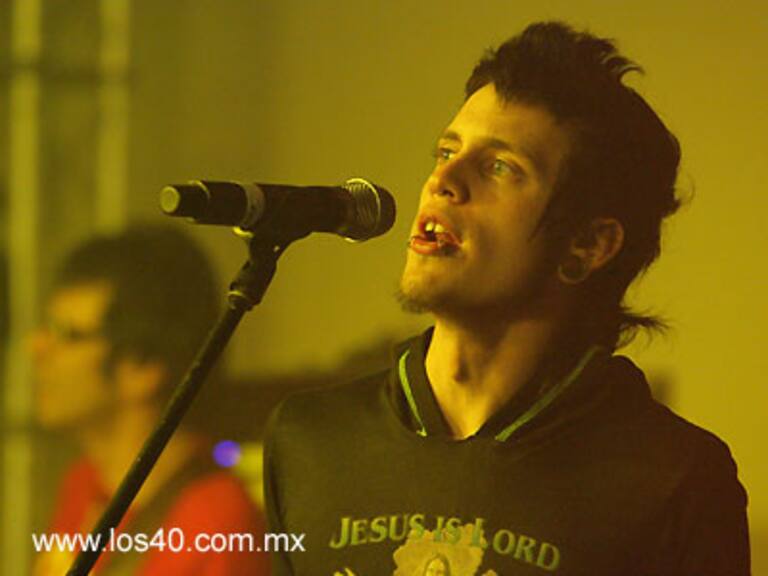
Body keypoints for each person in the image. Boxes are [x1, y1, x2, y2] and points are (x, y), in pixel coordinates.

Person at [263, 21, 750, 575]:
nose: (443, 180)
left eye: (499, 167)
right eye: (446, 151)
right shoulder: (307, 440)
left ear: (588, 246)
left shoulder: (673, 480)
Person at [30, 225, 269, 575]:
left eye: (68, 335)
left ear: (143, 367)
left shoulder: (216, 520)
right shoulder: (82, 483)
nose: (36, 346)